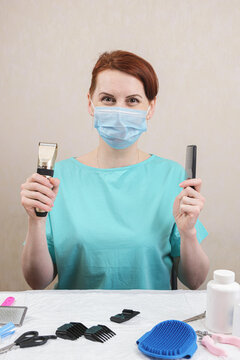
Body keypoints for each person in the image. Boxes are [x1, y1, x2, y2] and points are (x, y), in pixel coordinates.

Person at [21, 50, 209, 290]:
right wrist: (36, 221)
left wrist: (188, 232)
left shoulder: (173, 177)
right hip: (76, 326)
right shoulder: (56, 179)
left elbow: (194, 281)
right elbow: (37, 281)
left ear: (150, 108)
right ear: (90, 103)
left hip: (152, 325)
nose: (120, 111)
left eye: (132, 100)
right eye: (108, 99)